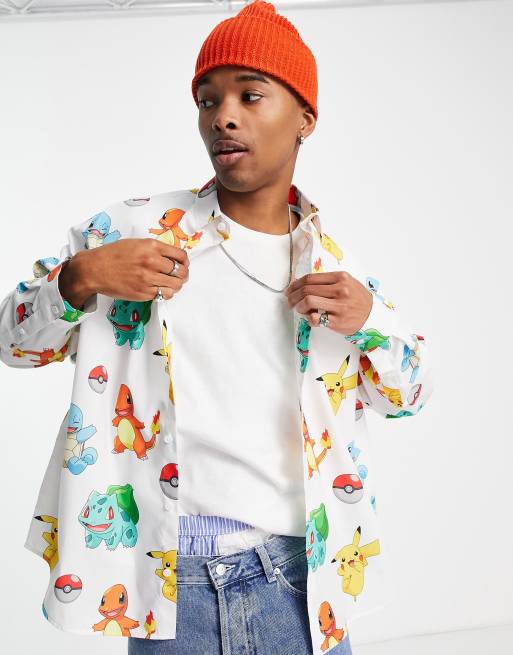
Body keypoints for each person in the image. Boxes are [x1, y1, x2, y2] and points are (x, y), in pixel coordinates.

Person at [0, 1, 433, 654]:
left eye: (250, 95)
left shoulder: (333, 270)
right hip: (170, 584)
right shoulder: (129, 232)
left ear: (305, 119)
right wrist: (80, 277)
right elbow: (13, 343)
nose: (222, 116)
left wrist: (370, 323)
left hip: (299, 582)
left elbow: (409, 396)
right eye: (208, 100)